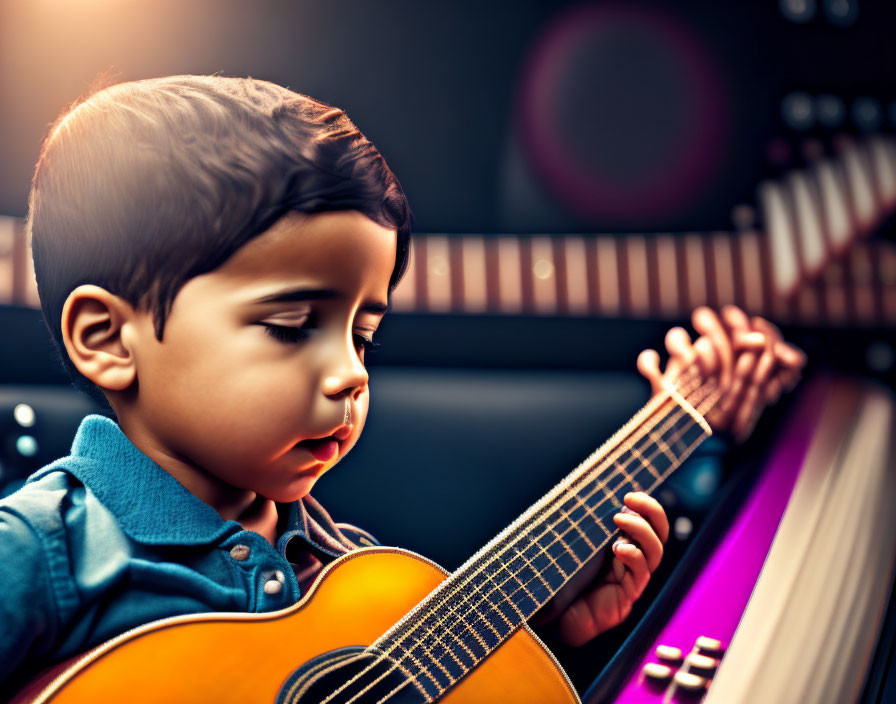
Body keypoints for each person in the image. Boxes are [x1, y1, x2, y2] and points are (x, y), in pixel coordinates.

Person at [0, 75, 804, 696]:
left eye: (364, 334)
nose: (350, 373)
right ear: (108, 339)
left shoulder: (357, 579)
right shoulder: (39, 551)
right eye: (291, 327)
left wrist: (546, 643)